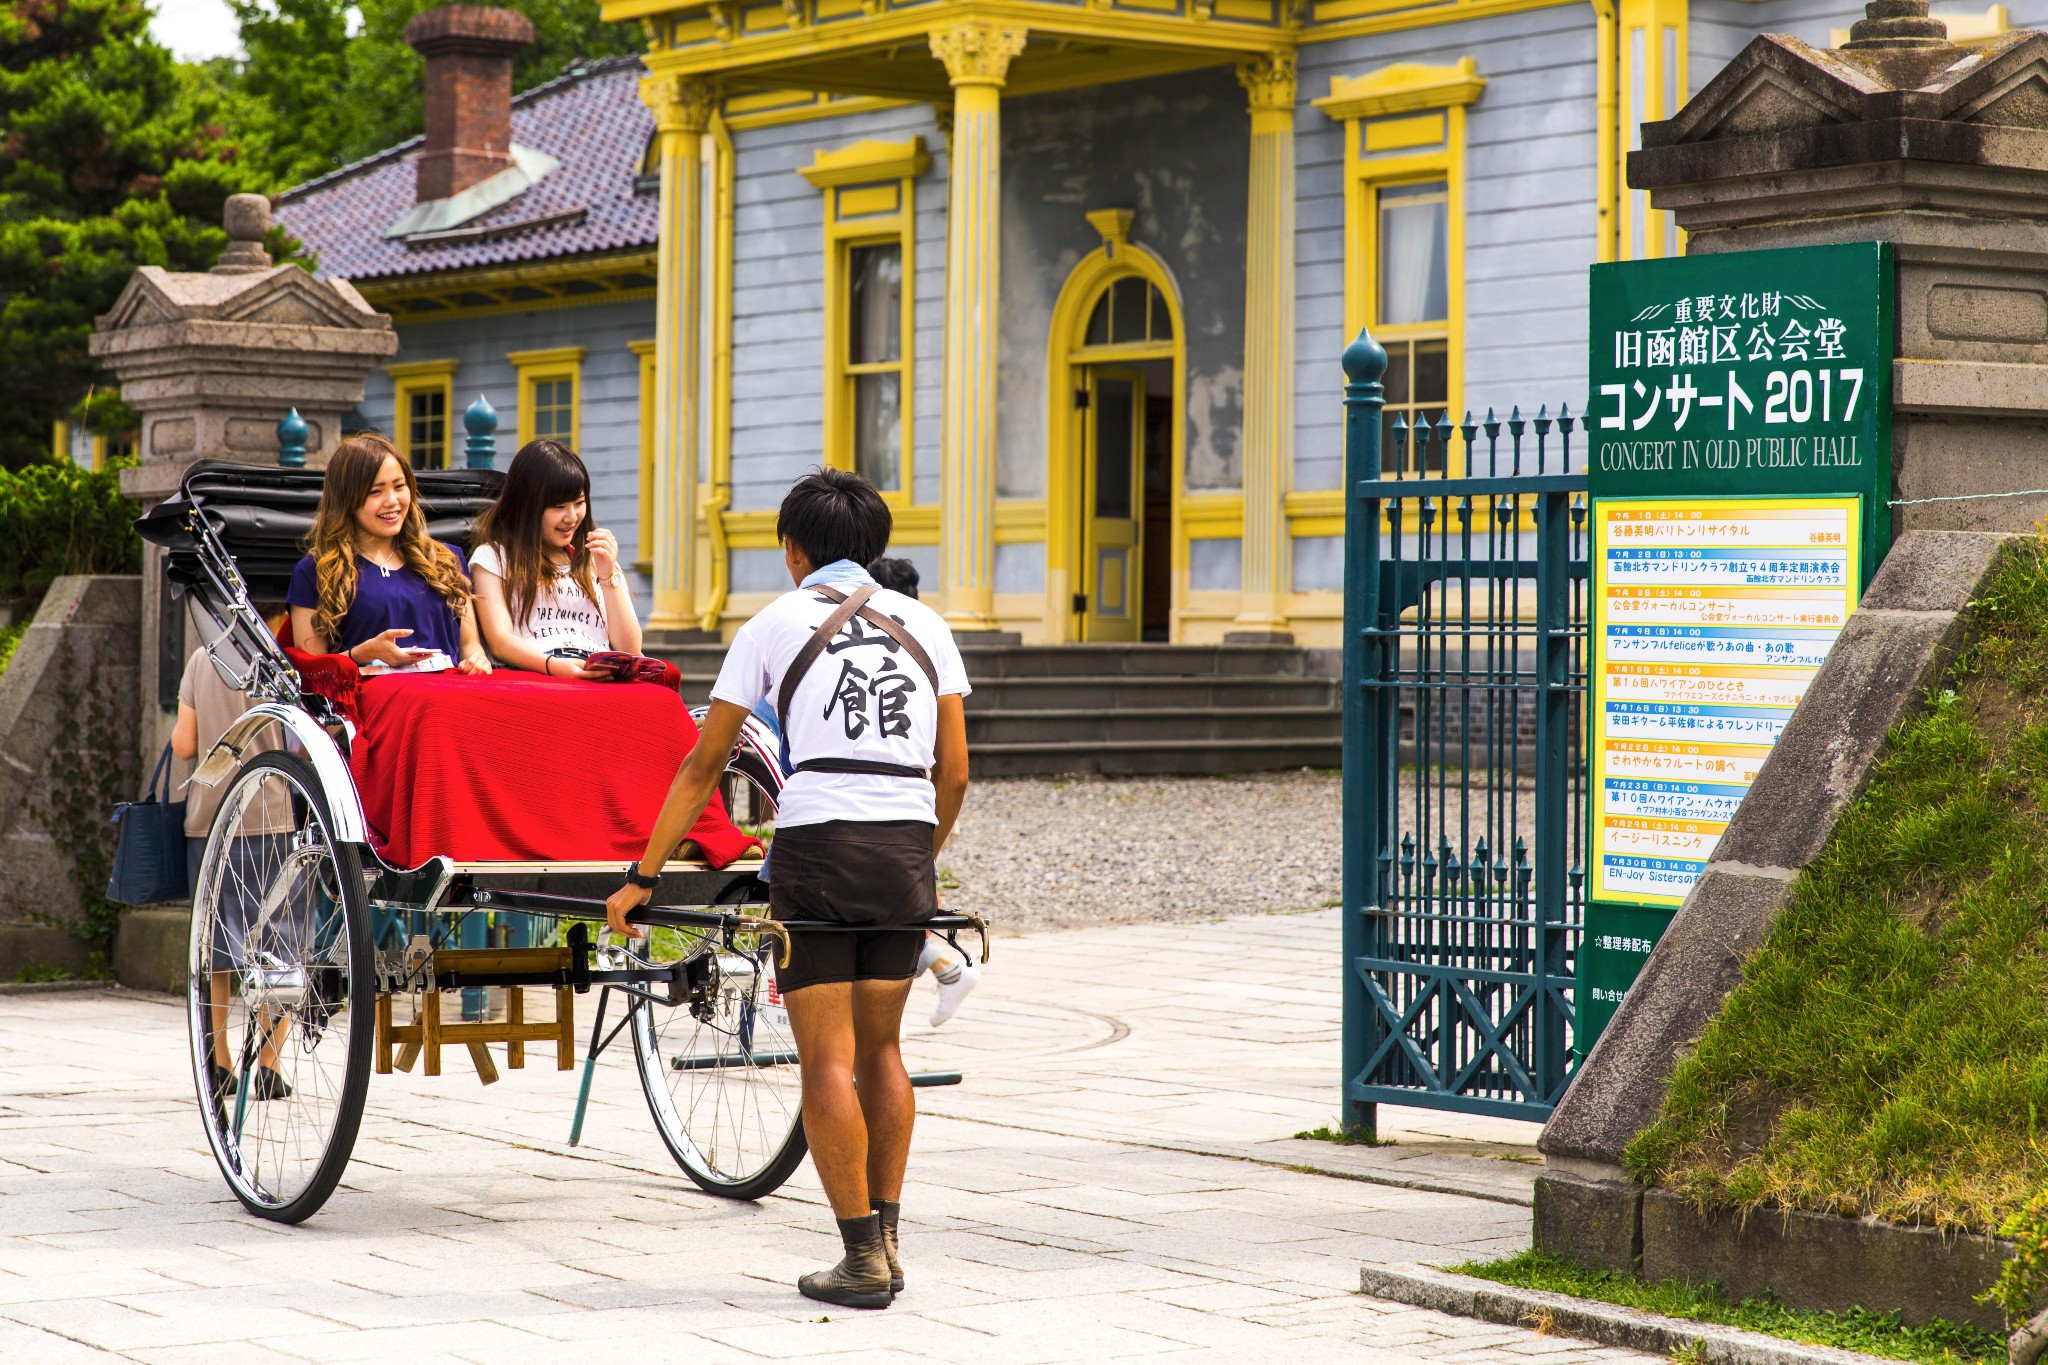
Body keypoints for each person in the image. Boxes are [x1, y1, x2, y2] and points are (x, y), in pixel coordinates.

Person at [607, 468, 970, 1311]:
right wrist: (921, 850)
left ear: (792, 548)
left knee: (828, 1058)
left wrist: (642, 875)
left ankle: (858, 1261)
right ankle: (886, 1236)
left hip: (817, 850)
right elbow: (953, 770)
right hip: (904, 848)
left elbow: (706, 763)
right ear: (876, 549)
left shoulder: (771, 624)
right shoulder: (928, 624)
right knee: (884, 1051)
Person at [172, 627, 294, 1102]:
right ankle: (268, 1064)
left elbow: (185, 745)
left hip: (209, 819)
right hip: (272, 815)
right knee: (282, 942)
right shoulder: (279, 660)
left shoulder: (201, 659)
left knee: (216, 948)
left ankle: (219, 1061)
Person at [865, 556, 980, 1028]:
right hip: (917, 808)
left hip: (865, 807)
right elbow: (954, 772)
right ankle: (946, 967)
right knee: (890, 913)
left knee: (869, 921)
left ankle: (947, 968)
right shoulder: (929, 638)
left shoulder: (865, 651)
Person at [286, 433, 490, 675]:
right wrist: (361, 654)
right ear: (346, 500)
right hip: (372, 703)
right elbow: (311, 673)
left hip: (447, 697)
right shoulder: (315, 571)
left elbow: (470, 646)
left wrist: (477, 661)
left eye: (399, 486)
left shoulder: (447, 560)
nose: (392, 501)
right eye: (375, 491)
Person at [469, 439, 644, 678]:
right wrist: (553, 666)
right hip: (538, 675)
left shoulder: (597, 559)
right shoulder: (494, 557)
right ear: (527, 506)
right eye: (558, 506)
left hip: (599, 675)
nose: (571, 517)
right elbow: (500, 640)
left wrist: (608, 575)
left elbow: (630, 649)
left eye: (580, 503)